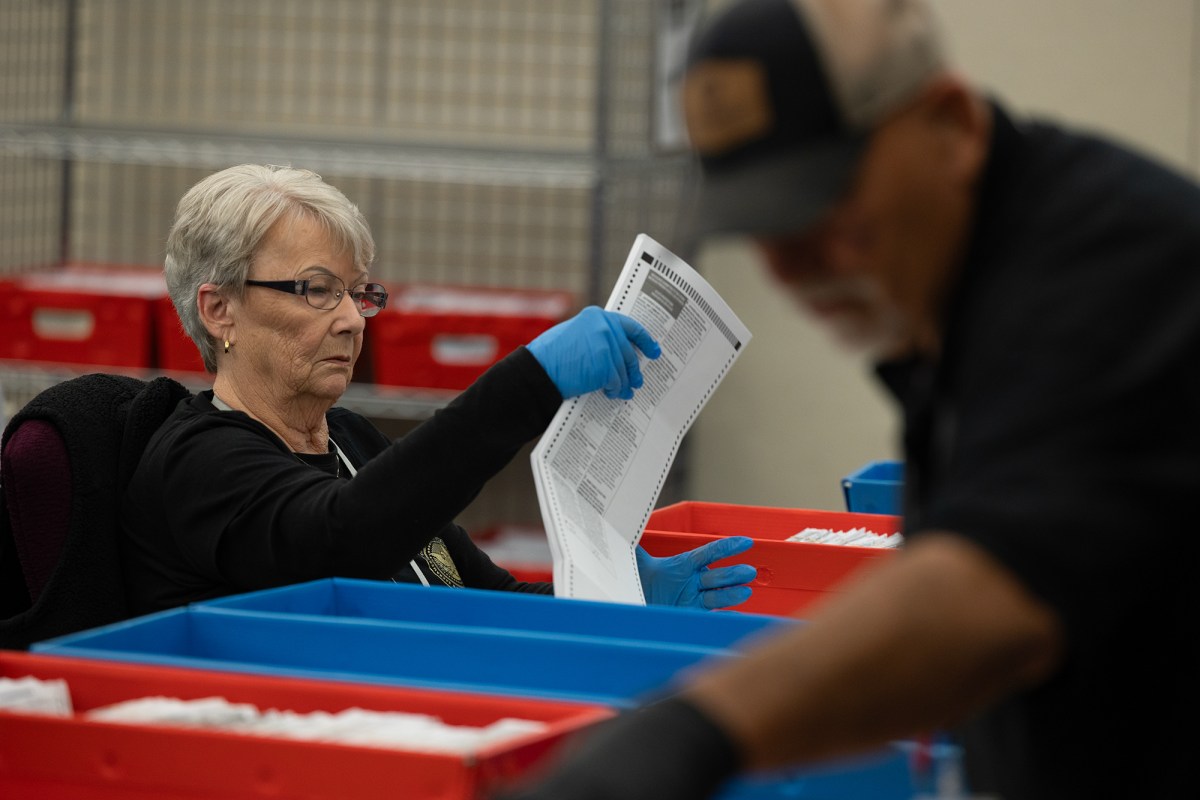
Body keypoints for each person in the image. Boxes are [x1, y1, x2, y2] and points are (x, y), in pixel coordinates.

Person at [494, 0, 1200, 798]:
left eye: (822, 209)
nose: (794, 267)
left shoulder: (1104, 281)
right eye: (764, 230)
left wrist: (695, 730)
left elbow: (992, 593)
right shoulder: (962, 290)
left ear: (953, 125)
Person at [119, 164, 757, 616]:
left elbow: (489, 601)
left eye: (357, 292)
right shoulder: (197, 462)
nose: (349, 318)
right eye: (316, 290)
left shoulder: (352, 442)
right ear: (219, 310)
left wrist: (620, 597)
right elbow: (342, 542)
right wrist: (529, 380)